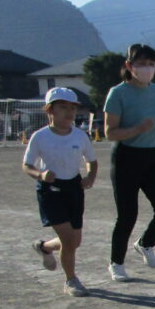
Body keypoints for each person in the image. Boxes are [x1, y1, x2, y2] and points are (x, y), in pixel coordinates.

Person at [104, 43, 155, 282]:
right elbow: (110, 132)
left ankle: (145, 243)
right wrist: (136, 129)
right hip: (126, 157)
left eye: (151, 64)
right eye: (141, 64)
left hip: (153, 155)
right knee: (127, 215)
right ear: (129, 65)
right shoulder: (118, 93)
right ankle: (116, 263)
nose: (147, 68)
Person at [23, 87, 98, 296]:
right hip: (51, 190)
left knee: (75, 241)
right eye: (63, 107)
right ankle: (71, 280)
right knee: (67, 239)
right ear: (50, 110)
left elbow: (92, 161)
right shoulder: (40, 137)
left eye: (72, 108)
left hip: (74, 188)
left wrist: (90, 177)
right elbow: (27, 165)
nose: (69, 112)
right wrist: (40, 175)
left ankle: (44, 247)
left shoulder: (80, 136)